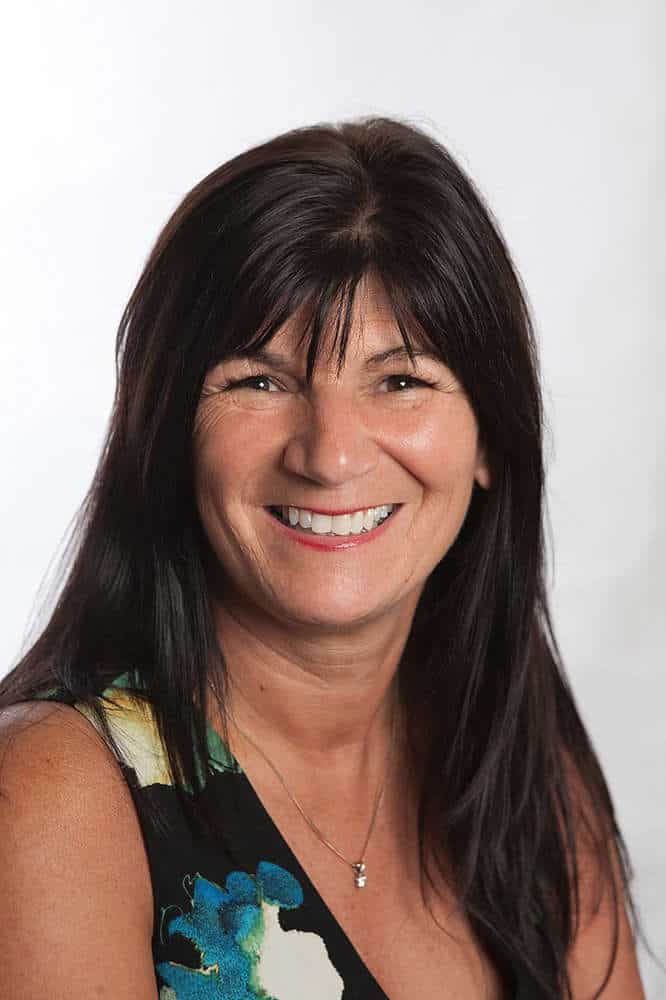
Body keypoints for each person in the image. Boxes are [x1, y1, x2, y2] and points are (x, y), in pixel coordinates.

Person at [0, 116, 645, 999]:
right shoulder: (52, 802)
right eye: (259, 381)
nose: (331, 456)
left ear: (491, 437)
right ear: (169, 434)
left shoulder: (524, 779)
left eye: (401, 380)